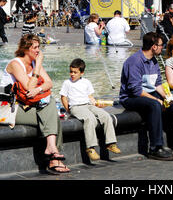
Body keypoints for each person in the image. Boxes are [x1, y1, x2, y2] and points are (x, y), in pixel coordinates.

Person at [119, 32, 173, 161]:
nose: (163, 48)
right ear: (154, 46)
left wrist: (167, 96)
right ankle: (155, 147)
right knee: (155, 105)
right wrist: (157, 100)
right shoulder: (134, 62)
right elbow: (136, 91)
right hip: (131, 98)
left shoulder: (153, 61)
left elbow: (157, 84)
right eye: (161, 45)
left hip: (149, 94)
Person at [0, 33, 70, 174]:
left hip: (26, 105)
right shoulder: (15, 64)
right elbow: (28, 87)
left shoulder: (33, 63)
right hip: (9, 110)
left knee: (49, 103)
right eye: (35, 47)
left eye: (39, 47)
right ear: (26, 49)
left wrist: (39, 89)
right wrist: (38, 66)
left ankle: (52, 150)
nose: (38, 51)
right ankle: (54, 159)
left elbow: (49, 83)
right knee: (52, 116)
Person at [60, 58, 121, 162]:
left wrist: (96, 104)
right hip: (76, 107)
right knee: (90, 118)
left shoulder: (86, 82)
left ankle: (111, 143)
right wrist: (68, 110)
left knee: (105, 116)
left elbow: (90, 96)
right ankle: (90, 148)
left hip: (88, 105)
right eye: (71, 71)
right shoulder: (67, 83)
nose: (72, 74)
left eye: (75, 72)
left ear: (82, 72)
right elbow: (63, 97)